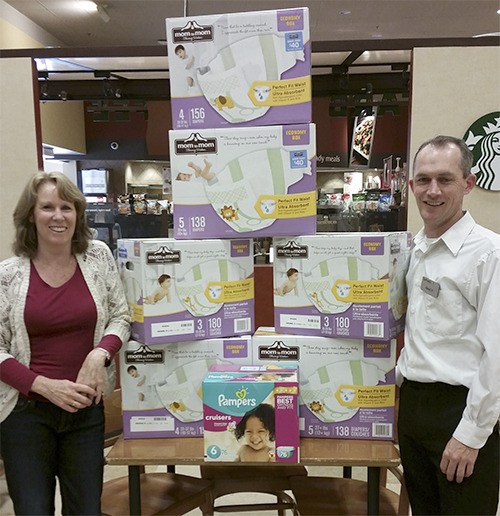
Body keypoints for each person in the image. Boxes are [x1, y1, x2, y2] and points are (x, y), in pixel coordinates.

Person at [0, 171, 131, 515]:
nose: (58, 216)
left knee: (86, 509)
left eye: (67, 207)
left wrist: (99, 354)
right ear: (31, 214)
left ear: (78, 214)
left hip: (85, 412)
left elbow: (121, 315)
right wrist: (42, 385)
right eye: (47, 207)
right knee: (33, 509)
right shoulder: (8, 275)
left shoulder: (98, 258)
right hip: (26, 415)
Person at [396, 135, 500, 515]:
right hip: (414, 409)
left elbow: (498, 354)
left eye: (445, 179)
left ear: (468, 184)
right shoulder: (415, 249)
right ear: (411, 186)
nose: (432, 190)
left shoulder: (489, 254)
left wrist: (471, 435)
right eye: (423, 180)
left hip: (459, 411)